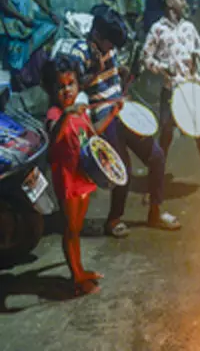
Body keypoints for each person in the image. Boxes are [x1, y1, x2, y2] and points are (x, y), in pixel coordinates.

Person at [67, 5, 181, 238]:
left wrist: (120, 72)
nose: (112, 49)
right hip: (104, 114)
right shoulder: (78, 53)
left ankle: (155, 213)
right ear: (97, 35)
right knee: (123, 169)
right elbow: (74, 86)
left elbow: (111, 72)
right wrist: (96, 70)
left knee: (156, 156)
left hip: (122, 109)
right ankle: (113, 219)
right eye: (110, 44)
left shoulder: (109, 46)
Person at [44, 54, 123, 295]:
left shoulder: (81, 112)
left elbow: (92, 134)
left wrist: (111, 114)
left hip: (82, 177)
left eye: (71, 84)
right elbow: (54, 136)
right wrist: (68, 113)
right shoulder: (56, 114)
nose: (67, 90)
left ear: (78, 85)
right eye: (61, 86)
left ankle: (79, 269)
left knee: (77, 227)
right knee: (70, 227)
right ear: (52, 89)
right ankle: (76, 277)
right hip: (67, 179)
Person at [142, 0, 200, 189]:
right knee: (166, 136)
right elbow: (146, 58)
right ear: (170, 3)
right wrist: (163, 68)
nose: (185, 2)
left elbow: (199, 48)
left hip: (192, 88)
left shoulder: (189, 27)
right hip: (171, 90)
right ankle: (155, 183)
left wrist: (197, 57)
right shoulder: (157, 30)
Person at [0, 0, 58, 75]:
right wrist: (21, 18)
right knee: (17, 62)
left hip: (26, 17)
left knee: (50, 26)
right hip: (15, 22)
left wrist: (48, 12)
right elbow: (3, 4)